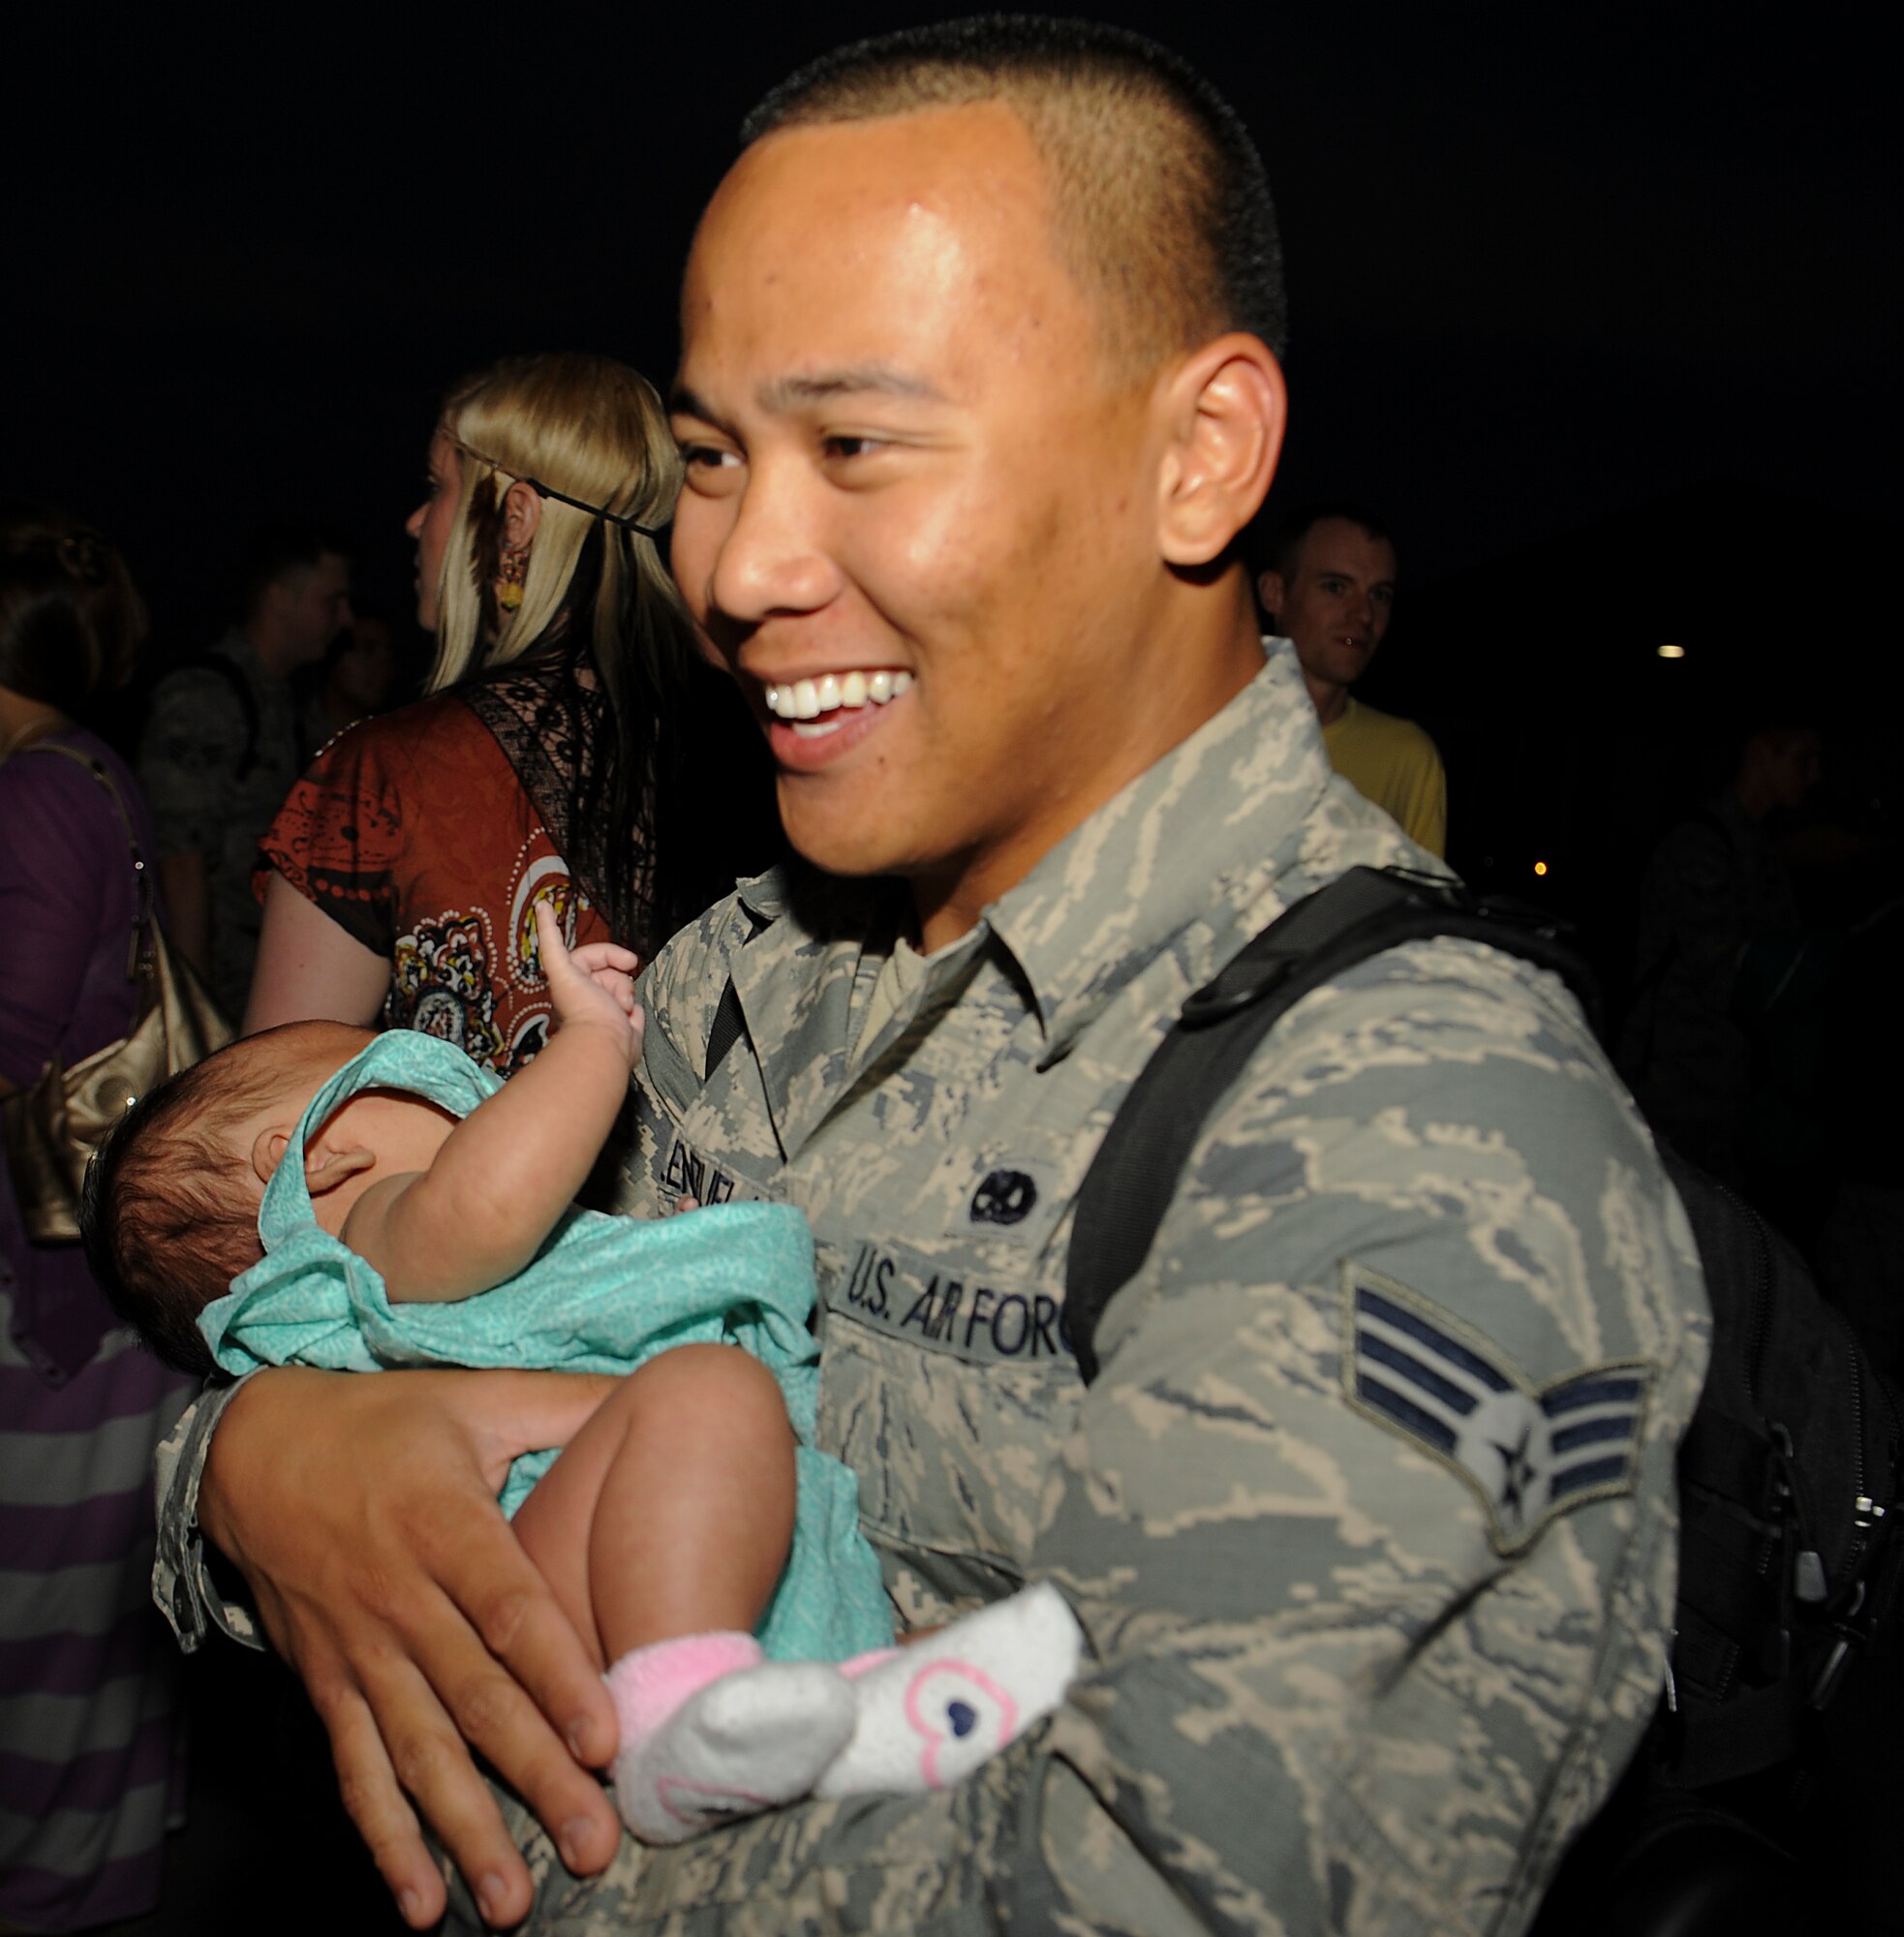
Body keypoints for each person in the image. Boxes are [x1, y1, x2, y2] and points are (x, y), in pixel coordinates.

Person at [158, 19, 1707, 1934]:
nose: (736, 569)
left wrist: (500, 1785)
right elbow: (412, 1307)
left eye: (858, 445)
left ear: (1196, 455)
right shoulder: (749, 966)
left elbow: (1160, 1891)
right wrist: (258, 1460)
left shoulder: (1416, 1123)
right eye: (714, 458)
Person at [87, 903, 1074, 1843]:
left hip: (586, 1561)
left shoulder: (324, 1300)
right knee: (705, 1391)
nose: (464, 1077)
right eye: (387, 1063)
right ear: (318, 1155)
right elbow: (480, 1204)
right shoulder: (364, 1229)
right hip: (553, 1561)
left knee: (749, 1509)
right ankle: (681, 1710)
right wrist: (592, 1043)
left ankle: (851, 1703)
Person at [242, 352, 773, 1073]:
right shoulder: (765, 734)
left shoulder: (385, 777)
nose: (415, 521)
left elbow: (273, 1109)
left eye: (439, 487)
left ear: (515, 518)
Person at [0, 511, 197, 1929]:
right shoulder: (77, 774)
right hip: (87, 1275)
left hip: (47, 1293)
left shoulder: (35, 794)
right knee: (76, 1643)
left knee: (43, 1642)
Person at [137, 524, 353, 1018]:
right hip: (220, 992)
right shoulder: (205, 698)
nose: (345, 620)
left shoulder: (286, 705)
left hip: (260, 986)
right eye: (332, 600)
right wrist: (196, 1011)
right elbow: (181, 863)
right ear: (280, 599)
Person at [1256, 505, 1449, 856]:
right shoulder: (1204, 727)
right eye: (1335, 587)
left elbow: (1415, 907)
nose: (1363, 614)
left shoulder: (1406, 758)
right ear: (1275, 593)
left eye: (1380, 595)